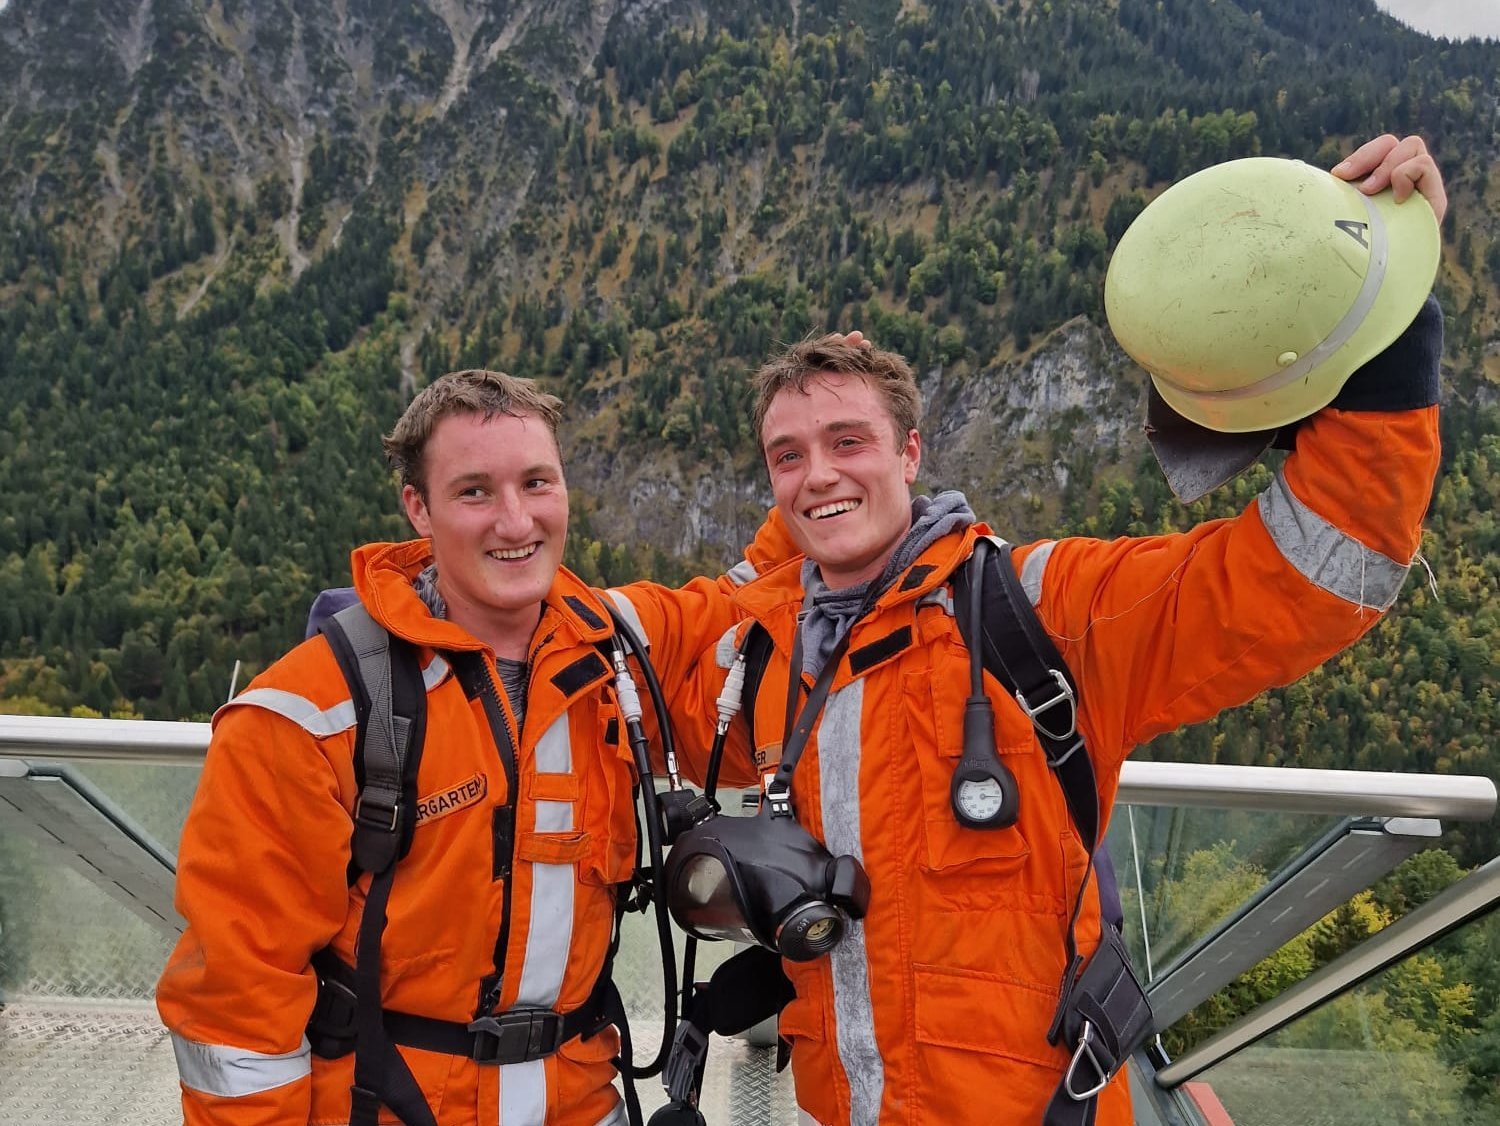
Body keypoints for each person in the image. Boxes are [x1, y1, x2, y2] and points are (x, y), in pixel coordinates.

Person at [622, 134, 1450, 1125]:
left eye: (849, 441)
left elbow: (1303, 579)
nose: (819, 475)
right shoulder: (749, 643)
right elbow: (588, 642)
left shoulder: (1041, 611)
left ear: (911, 452)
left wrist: (1386, 312)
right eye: (788, 454)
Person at [156, 369, 792, 1126]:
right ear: (417, 508)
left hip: (582, 1099)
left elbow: (750, 597)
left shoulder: (617, 650)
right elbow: (237, 1007)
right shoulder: (309, 715)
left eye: (537, 482)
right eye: (474, 492)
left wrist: (827, 434)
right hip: (390, 1104)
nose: (516, 521)